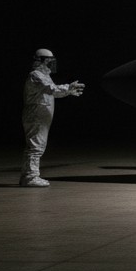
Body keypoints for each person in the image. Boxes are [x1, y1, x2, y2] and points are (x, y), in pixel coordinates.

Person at [20, 48, 85, 187]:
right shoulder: (35, 75)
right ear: (40, 61)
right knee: (35, 146)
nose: (51, 64)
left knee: (37, 146)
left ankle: (28, 176)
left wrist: (69, 91)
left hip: (40, 117)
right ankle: (30, 177)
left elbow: (53, 92)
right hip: (36, 116)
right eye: (48, 61)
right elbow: (51, 89)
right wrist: (68, 87)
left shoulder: (43, 75)